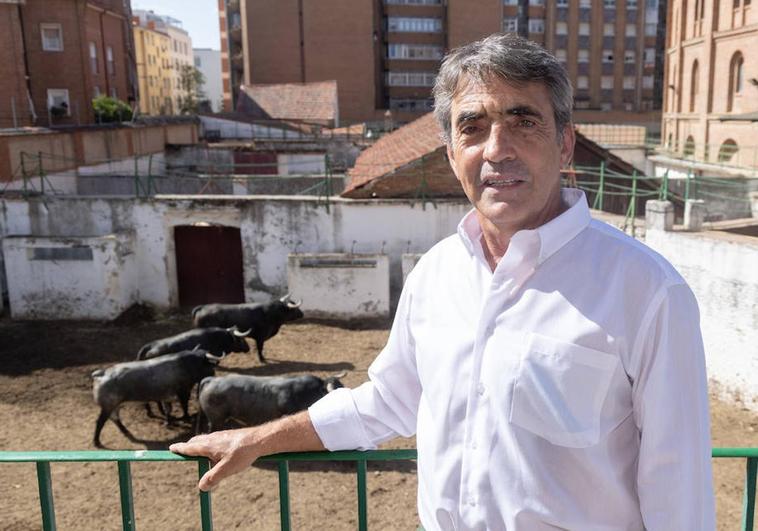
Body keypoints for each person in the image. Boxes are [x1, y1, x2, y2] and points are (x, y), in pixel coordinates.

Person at [171, 33, 715, 530]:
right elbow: (387, 401)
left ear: (566, 145)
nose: (496, 148)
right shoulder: (435, 274)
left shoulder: (647, 292)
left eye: (524, 121)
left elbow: (678, 487)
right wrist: (258, 439)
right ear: (452, 152)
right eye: (472, 127)